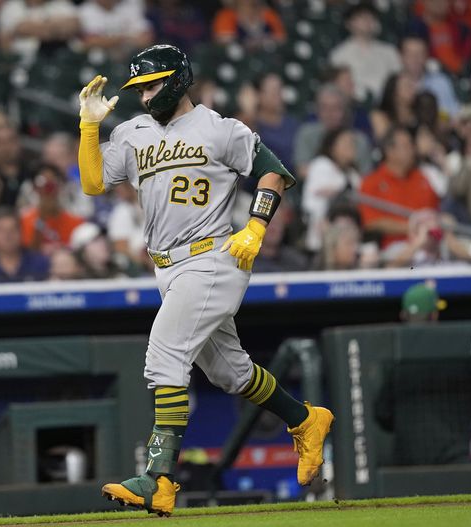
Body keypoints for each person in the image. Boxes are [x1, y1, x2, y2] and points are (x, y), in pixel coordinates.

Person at [76, 44, 333, 516]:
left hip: (212, 257)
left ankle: (159, 479)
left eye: (151, 84)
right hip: (166, 267)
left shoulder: (218, 128)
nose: (144, 94)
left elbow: (274, 174)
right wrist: (89, 125)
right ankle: (306, 420)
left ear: (177, 79)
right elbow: (94, 182)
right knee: (229, 372)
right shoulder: (132, 132)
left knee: (165, 351)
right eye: (139, 87)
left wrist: (256, 227)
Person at [375, 284, 471, 465]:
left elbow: (382, 415)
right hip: (455, 460)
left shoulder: (396, 362)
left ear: (404, 316)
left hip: (408, 466)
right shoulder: (458, 355)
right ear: (434, 315)